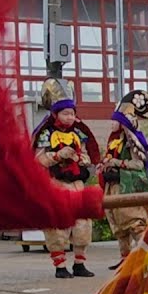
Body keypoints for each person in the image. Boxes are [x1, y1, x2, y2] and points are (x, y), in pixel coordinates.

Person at [31, 79, 99, 279]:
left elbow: (87, 155)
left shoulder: (78, 134)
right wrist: (57, 156)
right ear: (55, 114)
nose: (70, 117)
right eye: (66, 113)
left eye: (72, 113)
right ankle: (60, 265)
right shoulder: (46, 134)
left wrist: (82, 159)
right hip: (56, 184)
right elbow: (37, 160)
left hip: (77, 184)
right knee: (57, 225)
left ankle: (80, 263)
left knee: (83, 224)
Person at [100, 90, 148, 271]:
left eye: (115, 120)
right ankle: (124, 258)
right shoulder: (113, 141)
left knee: (135, 222)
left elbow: (138, 164)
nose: (112, 123)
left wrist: (117, 163)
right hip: (113, 187)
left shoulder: (132, 142)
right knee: (119, 227)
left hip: (128, 187)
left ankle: (145, 255)